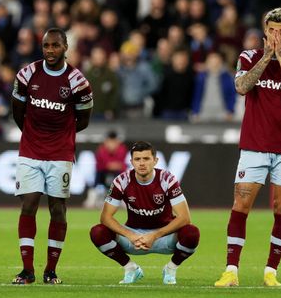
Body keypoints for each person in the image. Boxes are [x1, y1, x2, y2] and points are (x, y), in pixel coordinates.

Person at [214, 8, 281, 288]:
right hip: (254, 145)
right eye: (271, 30)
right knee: (241, 205)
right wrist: (268, 55)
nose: (276, 35)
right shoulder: (249, 56)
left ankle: (271, 271)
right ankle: (231, 270)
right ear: (264, 30)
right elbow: (242, 86)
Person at [11, 28, 93, 284]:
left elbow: (83, 120)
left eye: (55, 45)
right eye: (46, 45)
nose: (49, 50)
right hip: (31, 151)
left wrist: (60, 136)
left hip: (60, 153)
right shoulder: (27, 74)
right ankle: (27, 270)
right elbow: (18, 113)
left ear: (65, 46)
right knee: (29, 204)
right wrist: (35, 136)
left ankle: (50, 270)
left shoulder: (78, 81)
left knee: (58, 209)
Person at [89, 141, 200, 285]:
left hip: (163, 236)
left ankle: (170, 269)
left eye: (146, 159)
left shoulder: (167, 179)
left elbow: (185, 218)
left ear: (155, 160)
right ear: (131, 162)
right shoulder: (121, 181)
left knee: (192, 233)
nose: (141, 163)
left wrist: (154, 236)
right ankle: (130, 268)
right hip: (134, 237)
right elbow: (105, 217)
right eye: (137, 159)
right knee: (98, 232)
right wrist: (131, 235)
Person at [83, 131, 127, 209]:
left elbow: (121, 164)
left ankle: (124, 200)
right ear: (106, 141)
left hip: (117, 173)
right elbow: (105, 164)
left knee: (123, 178)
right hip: (103, 172)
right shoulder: (101, 149)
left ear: (117, 142)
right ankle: (91, 200)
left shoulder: (122, 148)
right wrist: (113, 165)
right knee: (98, 178)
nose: (111, 144)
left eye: (114, 142)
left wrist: (113, 165)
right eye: (109, 141)